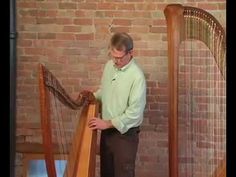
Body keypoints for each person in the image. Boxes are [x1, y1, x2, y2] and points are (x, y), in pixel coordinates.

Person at [80, 32, 146, 177]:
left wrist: (107, 123)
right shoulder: (109, 66)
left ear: (131, 53)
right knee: (107, 173)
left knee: (123, 174)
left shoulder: (137, 76)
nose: (116, 61)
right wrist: (93, 96)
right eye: (113, 56)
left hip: (125, 136)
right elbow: (105, 91)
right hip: (107, 133)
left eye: (119, 58)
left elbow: (134, 114)